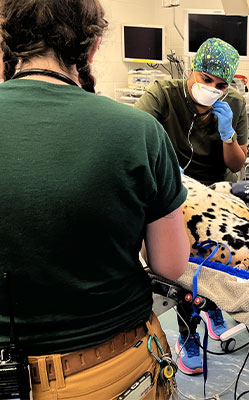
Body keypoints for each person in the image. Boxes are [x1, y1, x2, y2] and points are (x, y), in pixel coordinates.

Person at [0, 0, 189, 398]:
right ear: (93, 45)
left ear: (8, 38)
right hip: (107, 370)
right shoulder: (137, 132)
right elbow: (170, 265)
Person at [135, 37, 248, 374]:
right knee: (185, 267)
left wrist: (227, 135)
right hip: (169, 189)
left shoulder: (234, 106)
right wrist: (166, 173)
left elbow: (238, 163)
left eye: (220, 84)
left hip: (213, 190)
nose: (211, 88)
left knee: (215, 258)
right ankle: (189, 335)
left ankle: (212, 305)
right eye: (205, 79)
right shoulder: (163, 94)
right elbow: (133, 133)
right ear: (191, 72)